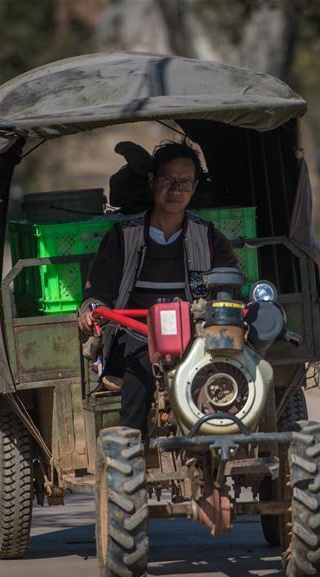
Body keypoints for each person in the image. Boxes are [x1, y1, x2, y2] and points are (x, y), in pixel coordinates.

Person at [78, 141, 238, 439]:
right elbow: (98, 292)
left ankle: (216, 444)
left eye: (184, 183)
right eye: (167, 180)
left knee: (224, 376)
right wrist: (92, 310)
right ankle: (131, 451)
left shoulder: (210, 236)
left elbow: (231, 288)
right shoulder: (123, 236)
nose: (175, 190)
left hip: (196, 338)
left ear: (194, 188)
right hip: (136, 335)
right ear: (152, 181)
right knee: (140, 368)